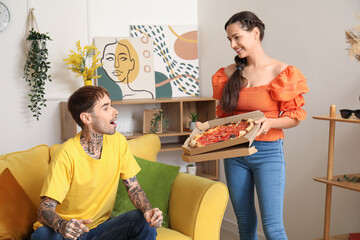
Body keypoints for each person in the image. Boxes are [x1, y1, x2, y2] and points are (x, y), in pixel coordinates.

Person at [212, 11, 309, 240]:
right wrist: (206, 127)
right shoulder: (227, 74)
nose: (233, 44)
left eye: (237, 37)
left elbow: (295, 116)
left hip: (268, 153)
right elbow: (225, 118)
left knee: (273, 227)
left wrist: (271, 123)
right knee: (245, 225)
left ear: (255, 33)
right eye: (229, 40)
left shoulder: (282, 72)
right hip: (234, 153)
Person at [31, 86, 162, 240]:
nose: (115, 111)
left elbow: (133, 187)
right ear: (86, 118)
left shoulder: (118, 142)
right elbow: (44, 209)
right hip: (67, 233)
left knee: (141, 221)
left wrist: (147, 210)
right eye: (106, 108)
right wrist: (62, 225)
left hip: (101, 231)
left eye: (111, 105)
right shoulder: (66, 154)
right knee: (43, 235)